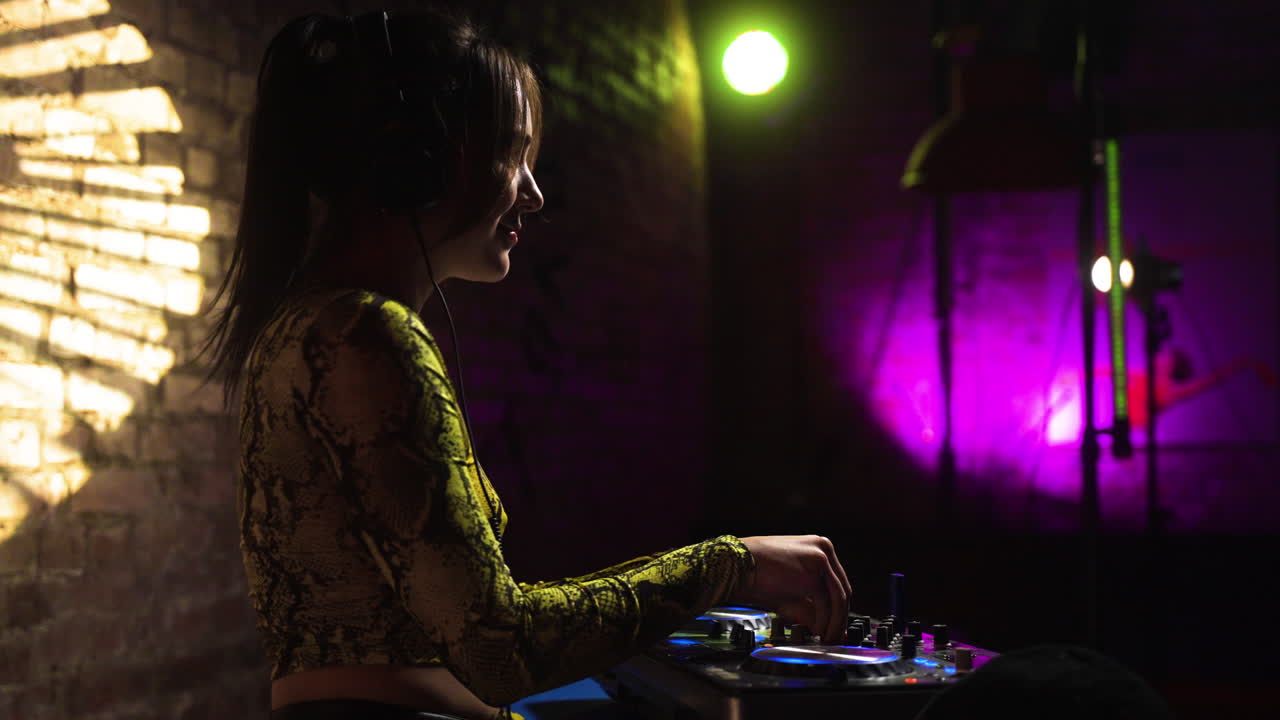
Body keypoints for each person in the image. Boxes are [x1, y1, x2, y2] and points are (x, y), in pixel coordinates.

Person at [200, 10, 851, 720]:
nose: (534, 195)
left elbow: (479, 618)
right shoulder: (363, 335)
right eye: (512, 154)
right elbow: (499, 647)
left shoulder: (305, 327)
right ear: (418, 158)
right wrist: (731, 567)